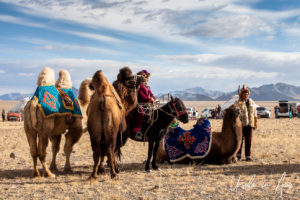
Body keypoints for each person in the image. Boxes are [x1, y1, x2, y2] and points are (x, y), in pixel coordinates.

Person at [235, 84, 257, 161]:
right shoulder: (238, 102)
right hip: (241, 124)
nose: (245, 96)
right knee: (240, 140)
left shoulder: (251, 102)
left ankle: (248, 155)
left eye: (247, 94)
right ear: (242, 95)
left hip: (250, 123)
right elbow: (236, 114)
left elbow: (254, 113)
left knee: (249, 140)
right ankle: (238, 155)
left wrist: (255, 123)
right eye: (244, 94)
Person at [133, 70, 156, 140]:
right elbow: (141, 96)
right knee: (141, 114)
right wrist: (149, 99)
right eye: (146, 77)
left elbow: (152, 95)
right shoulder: (139, 86)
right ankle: (137, 132)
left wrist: (153, 98)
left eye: (148, 78)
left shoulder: (148, 87)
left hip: (148, 105)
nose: (148, 79)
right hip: (140, 104)